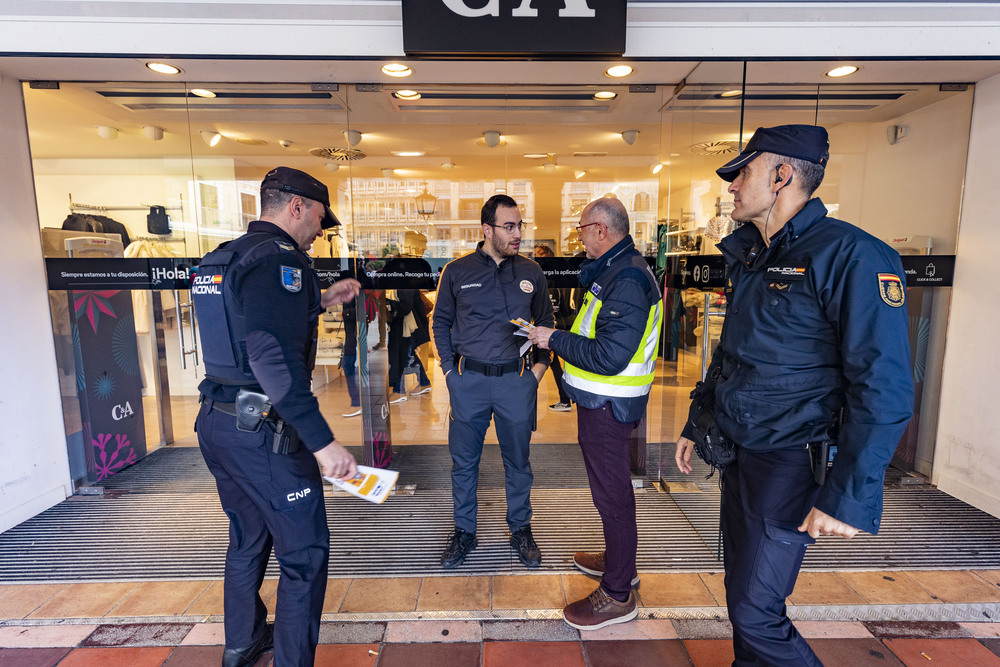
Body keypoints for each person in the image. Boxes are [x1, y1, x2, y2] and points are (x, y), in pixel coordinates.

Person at [674, 125, 914, 665]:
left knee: (757, 609)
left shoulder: (852, 255)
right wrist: (699, 419)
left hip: (792, 460)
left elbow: (884, 386)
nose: (731, 185)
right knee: (743, 595)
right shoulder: (754, 256)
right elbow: (733, 355)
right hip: (742, 455)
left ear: (783, 175)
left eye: (743, 172)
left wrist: (849, 494)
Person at [192, 167, 361, 667]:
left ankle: (242, 642)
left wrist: (324, 299)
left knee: (247, 537)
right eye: (318, 219)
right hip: (262, 433)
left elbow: (245, 324)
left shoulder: (222, 259)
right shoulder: (279, 262)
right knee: (304, 555)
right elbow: (271, 360)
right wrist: (323, 442)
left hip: (218, 423)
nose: (319, 230)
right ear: (296, 207)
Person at [528, 197, 662, 630]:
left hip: (609, 405)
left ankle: (618, 593)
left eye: (582, 228)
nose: (579, 235)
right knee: (611, 493)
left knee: (612, 495)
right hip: (602, 403)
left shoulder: (625, 278)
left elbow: (608, 355)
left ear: (601, 230)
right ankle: (619, 560)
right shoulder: (619, 270)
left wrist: (553, 339)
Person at [432, 194, 554, 569]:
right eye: (510, 226)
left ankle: (520, 528)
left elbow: (547, 327)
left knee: (518, 461)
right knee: (463, 463)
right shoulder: (457, 271)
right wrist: (451, 373)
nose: (518, 233)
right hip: (468, 383)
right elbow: (439, 323)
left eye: (520, 225)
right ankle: (464, 531)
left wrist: (534, 377)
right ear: (487, 229)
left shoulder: (532, 272)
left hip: (514, 384)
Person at [533, 244, 575, 412]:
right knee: (552, 363)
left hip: (549, 327)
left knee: (551, 363)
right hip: (551, 326)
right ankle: (565, 398)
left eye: (539, 254)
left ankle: (565, 399)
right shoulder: (552, 275)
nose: (537, 257)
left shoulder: (548, 277)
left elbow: (558, 303)